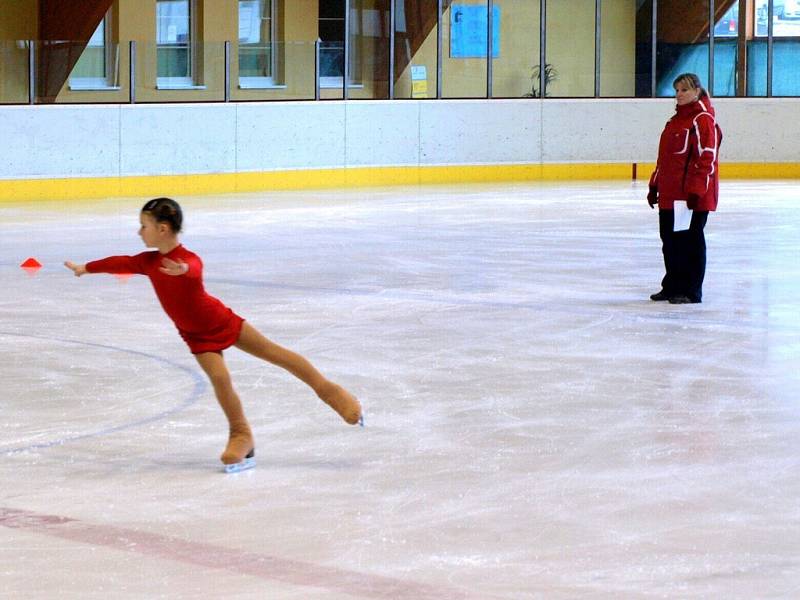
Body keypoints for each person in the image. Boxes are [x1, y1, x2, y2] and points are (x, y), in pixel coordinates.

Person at [64, 197, 362, 473]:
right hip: (194, 334)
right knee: (220, 379)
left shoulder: (187, 259)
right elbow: (121, 261)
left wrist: (182, 270)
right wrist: (86, 268)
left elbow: (193, 269)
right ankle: (241, 434)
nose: (139, 232)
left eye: (144, 226)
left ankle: (331, 393)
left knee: (276, 354)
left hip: (219, 320)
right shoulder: (148, 261)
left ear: (162, 229)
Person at [647, 72, 722, 304]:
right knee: (669, 241)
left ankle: (690, 290)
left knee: (689, 242)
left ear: (697, 91)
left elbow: (707, 158)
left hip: (690, 196)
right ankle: (672, 285)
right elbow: (666, 159)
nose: (678, 95)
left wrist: (696, 191)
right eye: (676, 90)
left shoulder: (702, 120)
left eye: (684, 90)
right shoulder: (674, 121)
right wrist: (655, 185)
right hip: (671, 195)